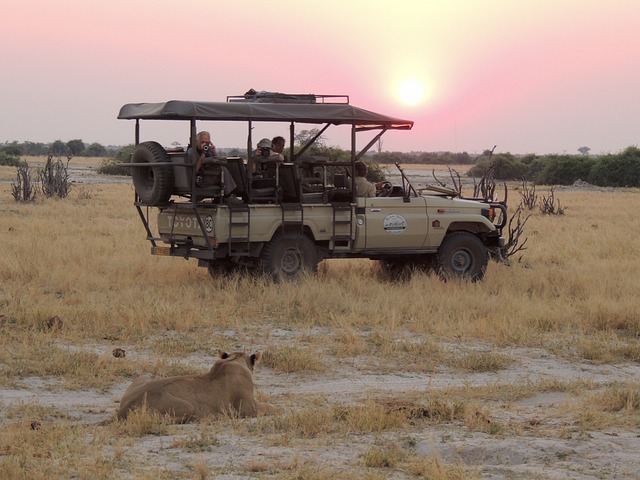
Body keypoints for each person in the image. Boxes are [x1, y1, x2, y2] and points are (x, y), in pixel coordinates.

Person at [189, 131, 240, 202]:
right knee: (223, 170)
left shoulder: (207, 151)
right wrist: (203, 154)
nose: (204, 144)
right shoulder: (192, 151)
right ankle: (228, 195)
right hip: (199, 178)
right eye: (202, 142)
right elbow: (196, 169)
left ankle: (225, 195)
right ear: (197, 142)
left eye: (207, 142)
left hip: (206, 175)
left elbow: (218, 162)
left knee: (222, 169)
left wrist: (213, 152)